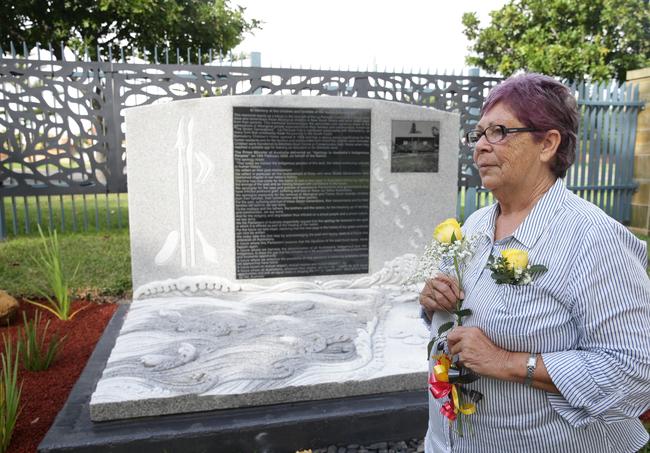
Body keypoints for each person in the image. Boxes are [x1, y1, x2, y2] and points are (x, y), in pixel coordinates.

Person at [419, 73, 650, 452]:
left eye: (498, 132)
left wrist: (507, 362)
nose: (480, 147)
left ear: (547, 144)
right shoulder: (476, 224)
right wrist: (433, 302)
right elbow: (459, 314)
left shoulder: (591, 238)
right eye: (477, 134)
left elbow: (636, 369)